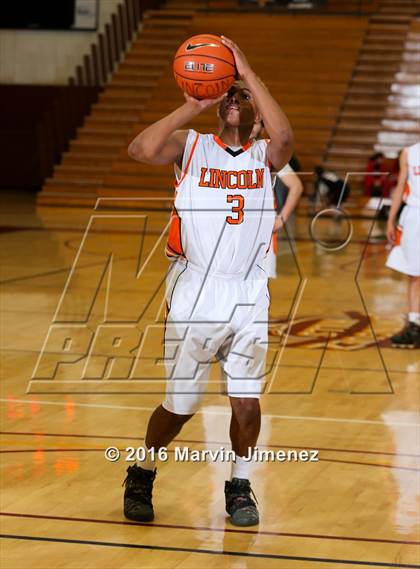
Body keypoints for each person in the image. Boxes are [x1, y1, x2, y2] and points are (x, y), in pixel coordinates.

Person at [125, 36, 293, 526]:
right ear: (218, 105)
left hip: (246, 292)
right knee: (180, 407)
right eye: (230, 95)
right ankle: (143, 470)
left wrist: (247, 73)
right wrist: (191, 104)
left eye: (243, 96)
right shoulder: (192, 147)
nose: (236, 101)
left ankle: (240, 487)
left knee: (245, 402)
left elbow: (285, 138)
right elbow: (141, 149)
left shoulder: (267, 157)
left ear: (257, 112)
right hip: (195, 289)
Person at [251, 121, 303, 278]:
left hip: (259, 233)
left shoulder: (266, 151)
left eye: (256, 123)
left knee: (256, 292)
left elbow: (296, 186)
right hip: (229, 230)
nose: (252, 127)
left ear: (262, 128)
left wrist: (282, 218)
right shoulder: (222, 150)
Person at [386, 142, 420, 348]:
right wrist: (391, 218)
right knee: (414, 273)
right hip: (414, 216)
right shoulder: (409, 152)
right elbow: (400, 186)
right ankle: (414, 324)